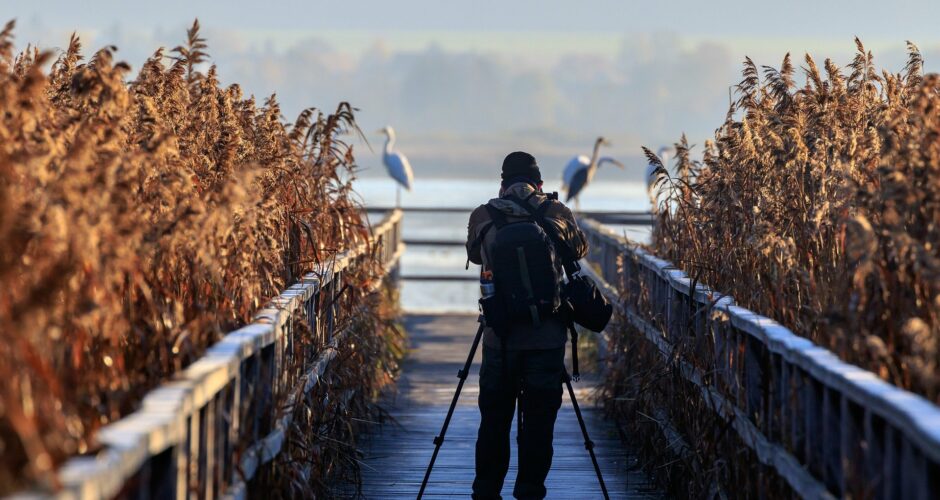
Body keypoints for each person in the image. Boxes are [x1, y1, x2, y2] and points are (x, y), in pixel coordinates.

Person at [466, 151, 587, 499]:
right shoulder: (557, 212)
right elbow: (580, 250)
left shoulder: (484, 215)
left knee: (494, 420)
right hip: (547, 339)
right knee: (539, 423)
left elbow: (474, 255)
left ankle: (486, 490)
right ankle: (530, 490)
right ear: (540, 184)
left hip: (498, 338)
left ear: (502, 184)